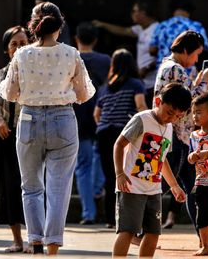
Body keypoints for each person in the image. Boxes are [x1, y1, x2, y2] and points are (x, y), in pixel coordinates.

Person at [0, 2, 95, 255]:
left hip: (28, 119)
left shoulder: (21, 55)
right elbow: (84, 94)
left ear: (34, 27)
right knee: (59, 187)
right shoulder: (71, 53)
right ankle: (53, 245)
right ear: (59, 26)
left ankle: (36, 241)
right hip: (63, 119)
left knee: (30, 187)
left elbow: (9, 92)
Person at [153, 30, 208, 247]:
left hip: (179, 136)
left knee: (194, 187)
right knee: (163, 185)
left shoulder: (169, 66)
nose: (197, 59)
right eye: (196, 54)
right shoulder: (176, 69)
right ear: (185, 50)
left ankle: (206, 237)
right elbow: (189, 101)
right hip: (176, 136)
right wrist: (204, 81)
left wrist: (198, 80)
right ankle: (140, 230)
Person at [113, 83, 189, 257]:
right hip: (131, 187)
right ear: (158, 101)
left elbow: (162, 159)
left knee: (153, 233)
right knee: (128, 230)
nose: (172, 118)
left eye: (178, 116)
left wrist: (174, 185)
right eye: (169, 112)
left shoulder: (169, 127)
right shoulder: (142, 119)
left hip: (154, 190)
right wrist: (119, 173)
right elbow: (119, 144)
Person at [93, 48, 148, 228]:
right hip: (123, 133)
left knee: (111, 176)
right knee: (127, 175)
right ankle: (125, 218)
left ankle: (110, 219)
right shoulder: (136, 84)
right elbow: (141, 107)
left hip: (103, 133)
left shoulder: (105, 87)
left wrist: (104, 125)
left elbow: (96, 114)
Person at [0, 25, 29, 253]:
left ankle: (35, 238)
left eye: (23, 43)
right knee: (10, 189)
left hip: (33, 138)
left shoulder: (37, 72)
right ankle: (17, 240)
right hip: (7, 138)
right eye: (14, 44)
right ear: (7, 49)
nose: (19, 47)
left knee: (34, 187)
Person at [73, 21, 110, 225]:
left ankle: (89, 213)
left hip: (78, 114)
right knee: (100, 156)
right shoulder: (105, 60)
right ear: (95, 40)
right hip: (103, 113)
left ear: (76, 39)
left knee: (83, 165)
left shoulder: (71, 58)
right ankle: (97, 189)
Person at [93, 0, 158, 107]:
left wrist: (147, 69)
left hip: (154, 81)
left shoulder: (157, 29)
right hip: (144, 80)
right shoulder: (140, 29)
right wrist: (102, 24)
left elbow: (162, 54)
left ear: (143, 13)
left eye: (134, 11)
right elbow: (123, 31)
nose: (131, 14)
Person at [188, 93, 208, 256]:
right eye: (193, 112)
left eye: (199, 112)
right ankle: (205, 246)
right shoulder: (193, 135)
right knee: (202, 215)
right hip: (202, 182)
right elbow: (190, 157)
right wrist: (192, 157)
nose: (195, 116)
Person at [149, 0, 208, 70]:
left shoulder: (162, 26)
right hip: (187, 73)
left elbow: (152, 50)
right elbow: (206, 49)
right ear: (190, 10)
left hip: (164, 72)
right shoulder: (196, 26)